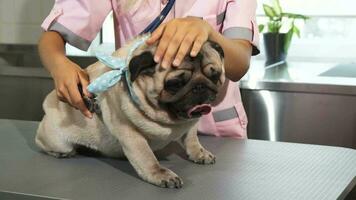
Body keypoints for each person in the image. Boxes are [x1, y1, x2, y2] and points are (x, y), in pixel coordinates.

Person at [38, 0, 260, 139]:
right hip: (143, 131)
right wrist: (59, 64)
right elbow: (52, 38)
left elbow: (240, 63)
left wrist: (208, 32)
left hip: (213, 133)